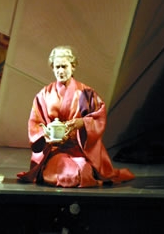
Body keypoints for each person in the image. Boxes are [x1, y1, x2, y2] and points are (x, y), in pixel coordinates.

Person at [17, 45, 135, 187]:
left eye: (64, 67)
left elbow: (98, 118)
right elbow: (36, 123)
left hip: (80, 150)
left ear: (73, 67)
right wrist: (48, 137)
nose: (60, 71)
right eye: (57, 67)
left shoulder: (85, 93)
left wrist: (82, 123)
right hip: (56, 150)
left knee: (83, 172)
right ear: (53, 68)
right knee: (61, 174)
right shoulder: (44, 94)